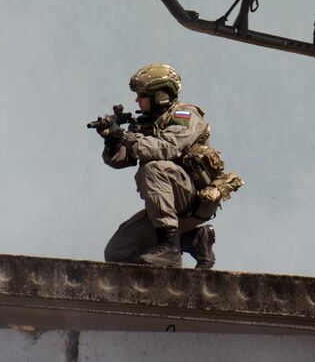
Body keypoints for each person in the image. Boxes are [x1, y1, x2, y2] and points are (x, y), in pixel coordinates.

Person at [96, 63, 242, 269]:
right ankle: (193, 240)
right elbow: (120, 161)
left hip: (195, 199)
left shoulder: (185, 116)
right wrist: (112, 139)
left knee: (153, 168)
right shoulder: (146, 123)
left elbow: (166, 148)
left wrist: (126, 136)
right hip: (169, 203)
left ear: (159, 95)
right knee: (117, 251)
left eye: (141, 95)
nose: (137, 100)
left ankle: (170, 249)